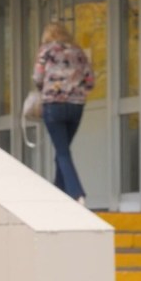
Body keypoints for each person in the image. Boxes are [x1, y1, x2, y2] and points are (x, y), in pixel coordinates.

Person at [33, 21, 95, 205]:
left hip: (53, 105)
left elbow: (37, 77)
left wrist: (45, 87)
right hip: (76, 106)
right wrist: (78, 91)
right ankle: (59, 193)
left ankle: (77, 193)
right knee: (63, 150)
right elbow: (90, 80)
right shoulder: (78, 52)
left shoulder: (46, 51)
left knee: (62, 152)